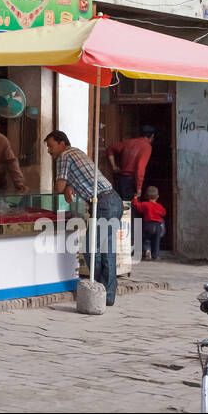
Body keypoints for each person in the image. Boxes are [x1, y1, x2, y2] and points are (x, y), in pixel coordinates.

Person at [45, 129, 124, 307]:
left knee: (91, 249)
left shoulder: (64, 156)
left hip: (104, 202)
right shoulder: (76, 153)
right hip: (111, 200)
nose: (49, 151)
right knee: (106, 250)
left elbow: (59, 185)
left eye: (50, 146)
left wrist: (64, 187)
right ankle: (107, 294)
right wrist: (68, 187)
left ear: (61, 143)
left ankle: (101, 289)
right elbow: (68, 184)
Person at [107, 125, 155, 201]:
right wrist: (139, 187)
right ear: (152, 136)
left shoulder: (129, 142)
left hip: (121, 180)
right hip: (131, 182)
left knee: (122, 207)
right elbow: (140, 167)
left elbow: (110, 148)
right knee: (130, 208)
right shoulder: (147, 147)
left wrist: (114, 166)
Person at [131, 185, 168, 261]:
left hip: (148, 225)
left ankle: (148, 251)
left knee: (146, 239)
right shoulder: (159, 206)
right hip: (157, 226)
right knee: (156, 241)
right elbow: (164, 213)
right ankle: (156, 255)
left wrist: (135, 198)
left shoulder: (145, 204)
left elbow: (137, 206)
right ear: (157, 196)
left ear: (146, 196)